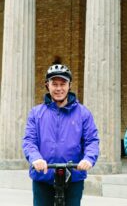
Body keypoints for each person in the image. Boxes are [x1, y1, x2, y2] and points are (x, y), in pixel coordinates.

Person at [22, 64, 100, 206]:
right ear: (47, 85)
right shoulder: (36, 113)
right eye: (54, 84)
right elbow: (29, 141)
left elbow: (92, 140)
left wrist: (88, 159)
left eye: (63, 84)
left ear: (69, 85)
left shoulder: (83, 113)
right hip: (43, 176)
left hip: (73, 176)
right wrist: (36, 158)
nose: (59, 88)